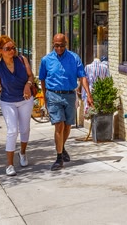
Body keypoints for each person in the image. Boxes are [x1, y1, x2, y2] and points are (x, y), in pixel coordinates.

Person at [38, 33, 93, 171]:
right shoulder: (46, 60)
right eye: (56, 45)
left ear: (66, 44)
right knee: (59, 125)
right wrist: (45, 97)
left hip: (69, 95)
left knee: (68, 126)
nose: (59, 48)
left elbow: (82, 77)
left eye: (62, 45)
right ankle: (58, 158)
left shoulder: (74, 58)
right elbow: (43, 80)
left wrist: (89, 94)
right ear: (53, 44)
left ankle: (61, 147)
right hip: (53, 95)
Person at [0, 35, 34, 177]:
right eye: (7, 49)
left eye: (13, 48)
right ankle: (9, 164)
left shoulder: (22, 60)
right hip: (8, 101)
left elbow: (31, 76)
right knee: (13, 131)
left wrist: (28, 85)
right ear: (0, 51)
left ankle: (23, 153)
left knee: (25, 128)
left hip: (26, 100)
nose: (11, 51)